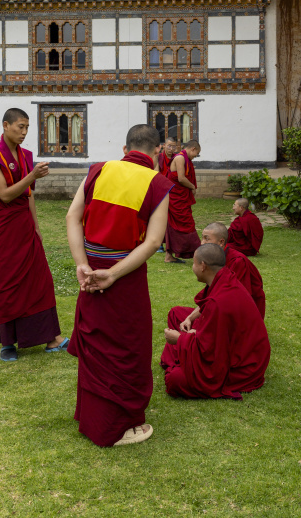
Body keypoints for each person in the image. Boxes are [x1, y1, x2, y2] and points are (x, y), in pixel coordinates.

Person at [66, 124, 172, 447]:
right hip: (125, 275)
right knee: (128, 346)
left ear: (125, 149)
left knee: (99, 345)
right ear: (156, 153)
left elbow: (72, 218)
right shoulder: (158, 183)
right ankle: (119, 426)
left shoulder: (99, 170)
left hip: (91, 269)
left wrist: (82, 263)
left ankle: (91, 417)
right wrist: (113, 274)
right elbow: (153, 242)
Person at [0, 108, 69, 362]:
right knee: (5, 282)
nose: (24, 132)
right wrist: (32, 175)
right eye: (20, 127)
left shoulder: (25, 155)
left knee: (39, 279)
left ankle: (52, 338)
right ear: (5, 125)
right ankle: (7, 343)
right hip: (2, 228)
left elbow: (28, 194)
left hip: (24, 225)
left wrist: (36, 227)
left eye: (27, 127)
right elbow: (5, 194)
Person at [160, 243, 270, 399]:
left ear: (203, 266)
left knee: (175, 379)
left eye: (194, 263)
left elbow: (212, 352)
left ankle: (182, 362)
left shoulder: (218, 303)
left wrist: (180, 339)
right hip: (230, 343)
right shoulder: (225, 277)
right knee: (176, 314)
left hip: (241, 366)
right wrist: (191, 323)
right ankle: (183, 359)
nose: (192, 267)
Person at [201, 222, 266, 318]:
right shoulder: (216, 258)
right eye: (202, 238)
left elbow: (235, 297)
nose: (202, 243)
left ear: (221, 242)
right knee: (175, 313)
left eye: (206, 239)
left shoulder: (238, 261)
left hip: (241, 316)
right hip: (220, 305)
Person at [165, 140, 201, 264]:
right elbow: (181, 178)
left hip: (180, 197)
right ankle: (198, 254)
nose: (195, 157)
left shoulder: (186, 159)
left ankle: (169, 256)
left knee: (174, 225)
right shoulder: (180, 158)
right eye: (196, 154)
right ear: (193, 149)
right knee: (187, 224)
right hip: (176, 197)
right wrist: (192, 187)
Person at [156, 135, 178, 253]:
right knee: (160, 217)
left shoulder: (177, 158)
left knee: (171, 218)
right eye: (169, 146)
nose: (171, 149)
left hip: (173, 191)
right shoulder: (159, 158)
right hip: (161, 190)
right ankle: (159, 243)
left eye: (173, 147)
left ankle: (171, 243)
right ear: (164, 146)